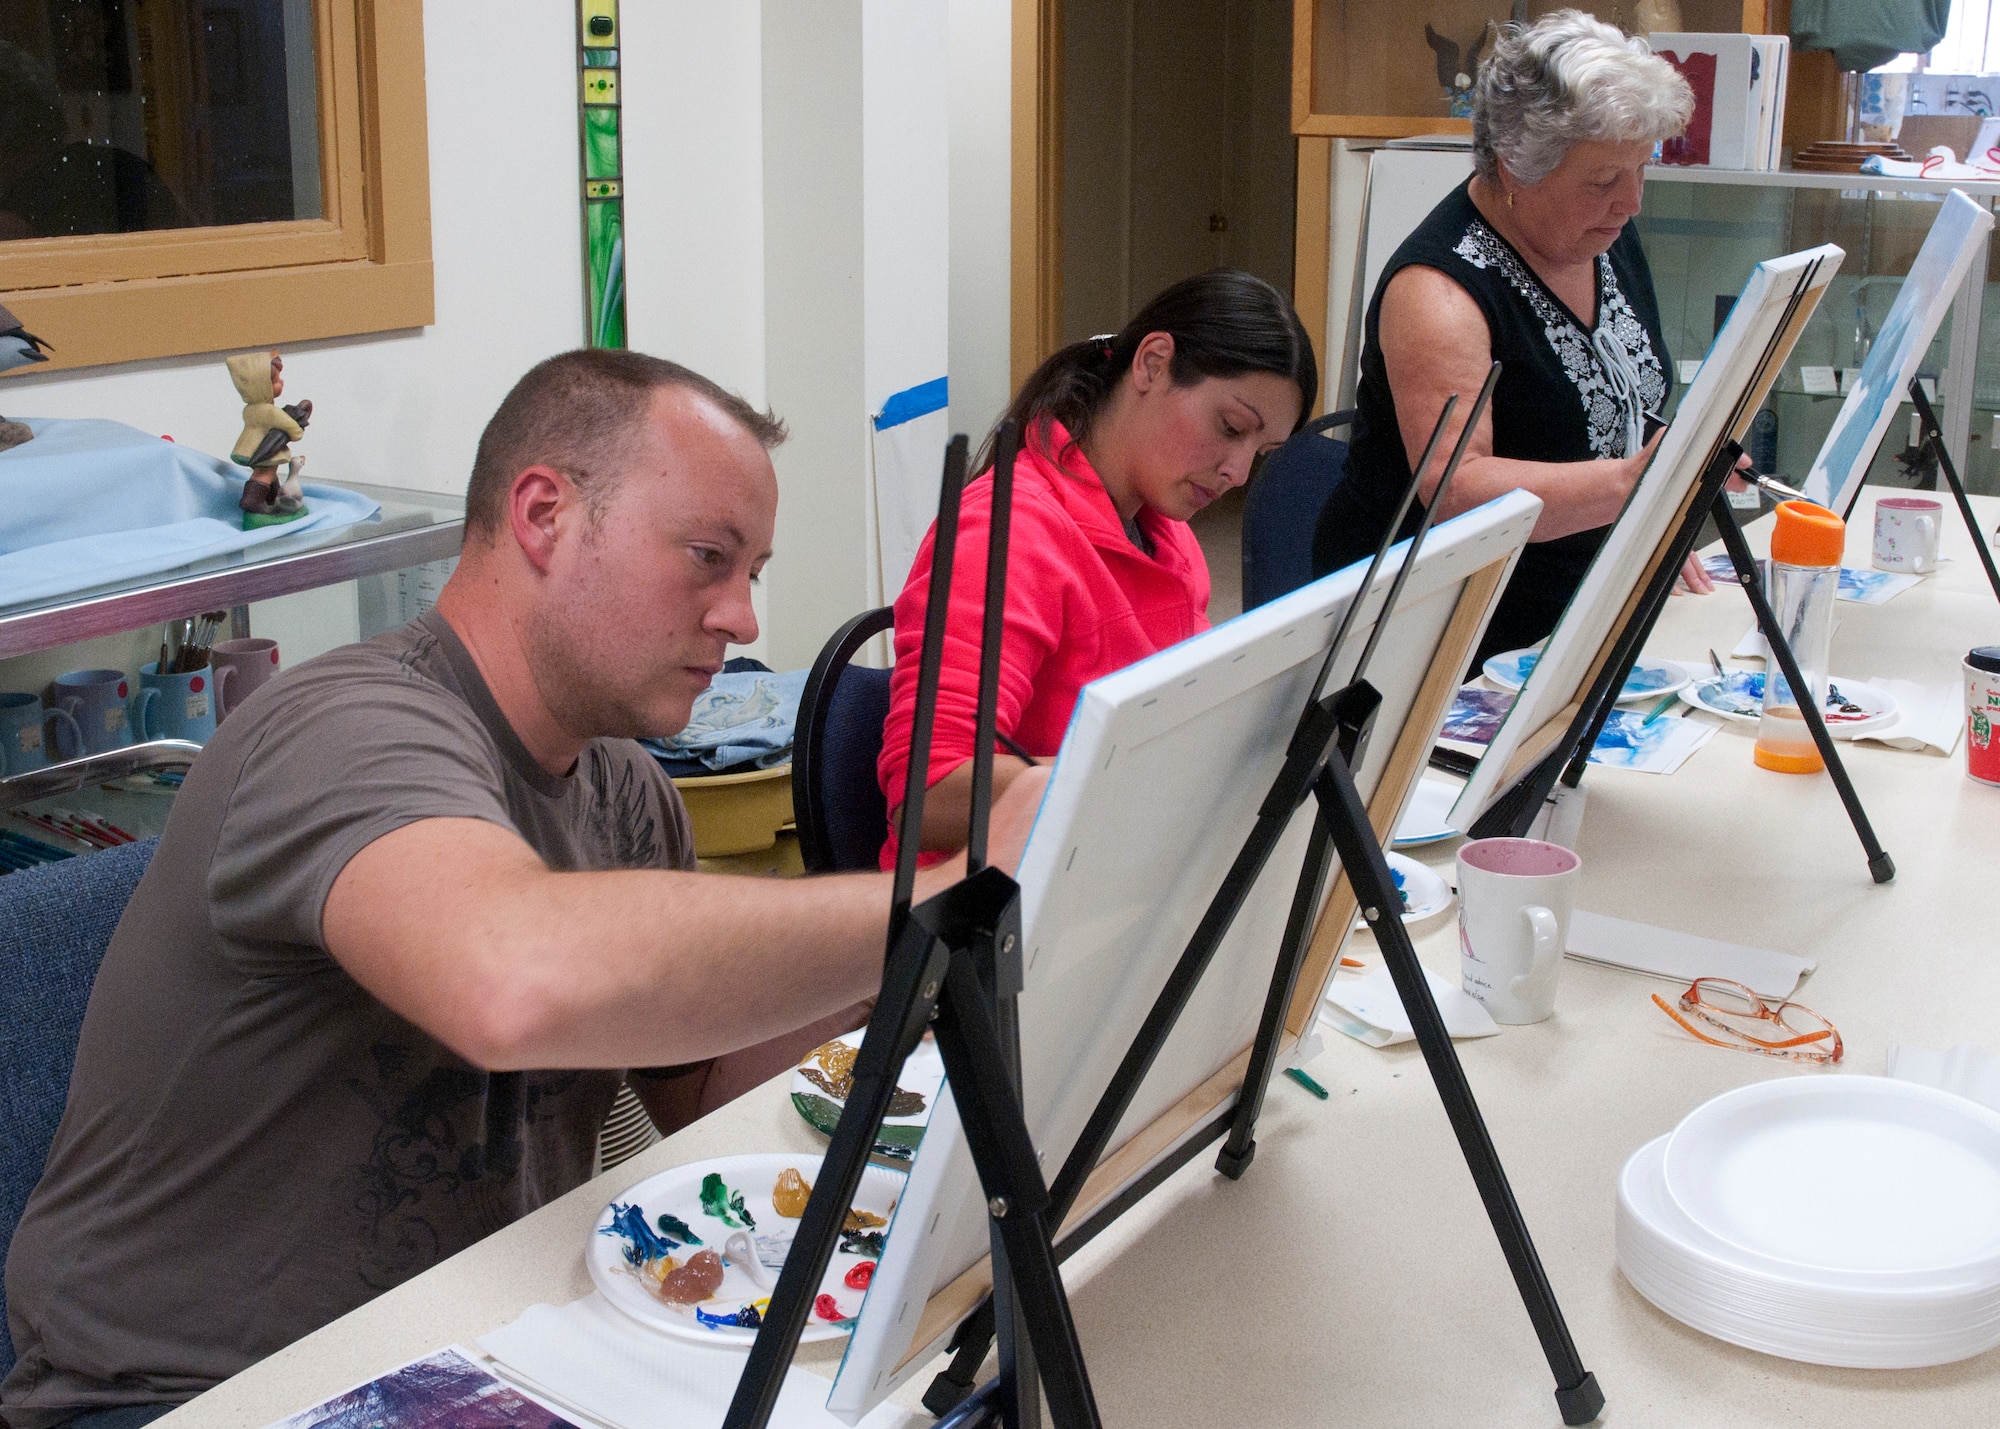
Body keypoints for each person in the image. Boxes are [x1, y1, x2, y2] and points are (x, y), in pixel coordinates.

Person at [1, 349, 1046, 1427]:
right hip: (195, 1396)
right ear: (544, 514)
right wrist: (935, 895)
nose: (740, 617)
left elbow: (703, 1085)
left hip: (466, 1341)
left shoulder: (627, 789)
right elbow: (511, 978)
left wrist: (917, 980)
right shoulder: (344, 731)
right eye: (706, 557)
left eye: (754, 573)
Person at [1310, 10, 1709, 669]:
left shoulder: (1601, 235)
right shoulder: (1439, 293)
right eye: (1605, 179)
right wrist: (1628, 486)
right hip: (1443, 632)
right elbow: (1455, 490)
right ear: (1515, 170)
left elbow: (1622, 398)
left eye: (1642, 168)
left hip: (1578, 604)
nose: (1631, 201)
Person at [878, 269, 1316, 861]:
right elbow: (927, 795)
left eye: (1259, 453)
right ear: (1153, 363)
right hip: (994, 911)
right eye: (1230, 428)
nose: (1238, 472)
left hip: (1111, 869)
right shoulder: (1005, 535)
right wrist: (1141, 777)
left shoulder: (1171, 538)